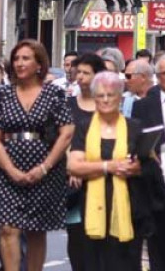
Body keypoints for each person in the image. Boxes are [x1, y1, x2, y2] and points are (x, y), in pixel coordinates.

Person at [0, 39, 74, 271]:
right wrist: (10, 169)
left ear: (39, 64)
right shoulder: (3, 94)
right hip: (7, 167)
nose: (20, 63)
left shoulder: (53, 93)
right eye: (16, 58)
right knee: (7, 228)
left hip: (45, 168)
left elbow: (66, 132)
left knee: (36, 230)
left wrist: (45, 167)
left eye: (26, 58)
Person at [67, 72, 146, 270]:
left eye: (110, 95)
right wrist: (108, 166)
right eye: (100, 95)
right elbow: (74, 166)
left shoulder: (135, 127)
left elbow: (148, 165)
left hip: (129, 208)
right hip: (92, 208)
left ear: (120, 97)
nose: (105, 99)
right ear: (94, 98)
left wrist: (136, 168)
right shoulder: (84, 127)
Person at [130, 53, 165, 271]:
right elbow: (137, 144)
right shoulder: (143, 106)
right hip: (156, 190)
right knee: (158, 256)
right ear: (158, 76)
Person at [65, 53, 116, 271]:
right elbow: (62, 138)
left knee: (103, 244)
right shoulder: (66, 104)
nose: (80, 78)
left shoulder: (106, 105)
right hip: (74, 184)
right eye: (79, 73)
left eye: (86, 73)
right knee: (77, 241)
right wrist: (73, 166)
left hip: (103, 180)